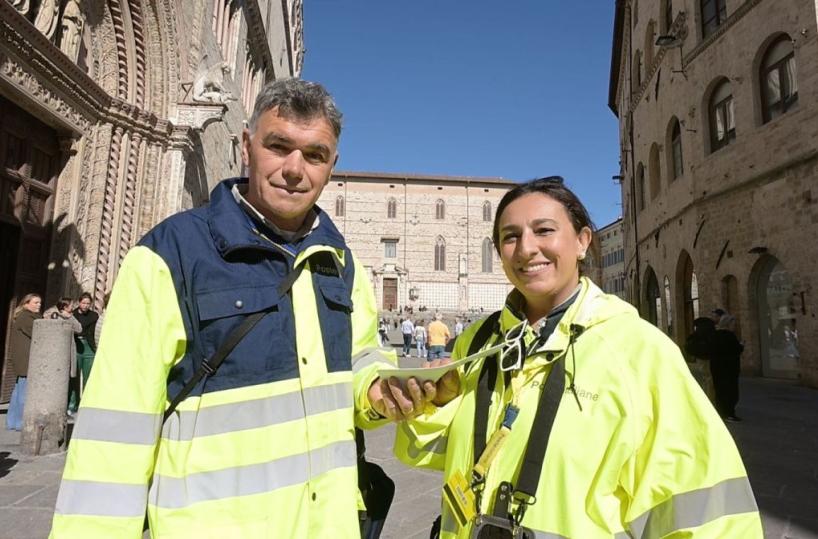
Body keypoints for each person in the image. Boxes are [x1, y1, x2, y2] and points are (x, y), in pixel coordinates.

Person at [51, 78, 438, 538]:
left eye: (314, 154)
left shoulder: (342, 263)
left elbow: (359, 359)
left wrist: (378, 392)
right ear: (246, 146)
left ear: (332, 166)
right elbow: (112, 433)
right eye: (279, 146)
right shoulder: (170, 256)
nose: (295, 169)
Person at [394, 177, 762, 538]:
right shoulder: (476, 342)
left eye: (544, 230)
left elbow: (707, 512)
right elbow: (432, 454)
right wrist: (431, 404)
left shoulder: (638, 350)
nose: (526, 249)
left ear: (583, 242)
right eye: (510, 237)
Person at [7, 294, 41, 431]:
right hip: (25, 358)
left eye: (40, 303)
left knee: (18, 390)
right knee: (23, 392)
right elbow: (38, 334)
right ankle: (20, 422)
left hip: (22, 357)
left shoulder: (25, 316)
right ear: (26, 304)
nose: (39, 305)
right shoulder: (27, 317)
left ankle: (12, 421)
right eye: (35, 302)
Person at [712, 313, 744, 422]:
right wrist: (741, 345)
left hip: (717, 367)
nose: (734, 326)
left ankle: (721, 413)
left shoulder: (715, 335)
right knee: (731, 392)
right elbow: (736, 350)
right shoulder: (729, 336)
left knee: (720, 391)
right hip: (729, 368)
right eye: (733, 323)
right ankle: (729, 413)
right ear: (728, 323)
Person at [72, 291, 98, 398]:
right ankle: (73, 403)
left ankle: (85, 402)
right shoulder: (73, 315)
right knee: (75, 376)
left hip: (89, 346)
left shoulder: (94, 315)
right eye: (83, 303)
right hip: (77, 346)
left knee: (88, 376)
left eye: (88, 303)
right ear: (79, 302)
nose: (85, 305)